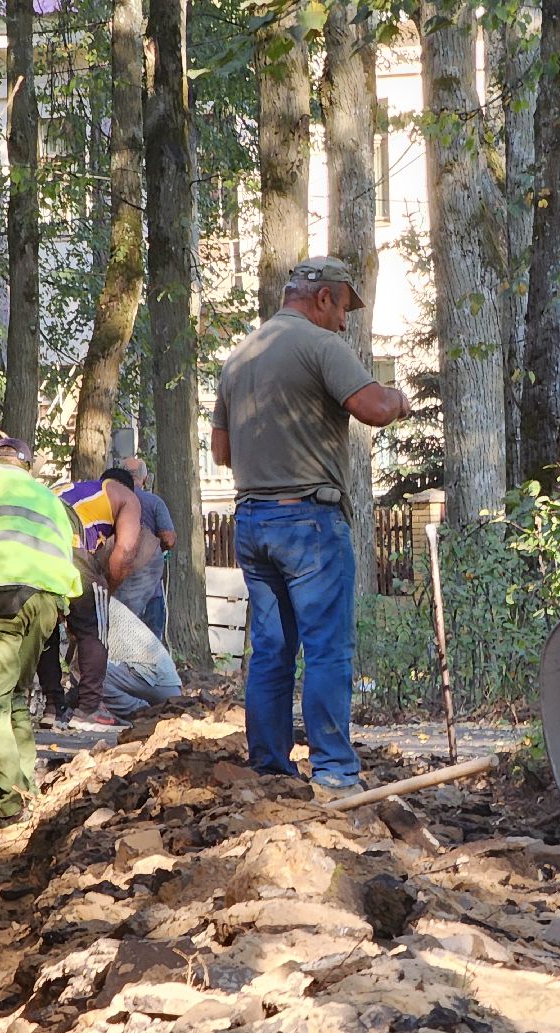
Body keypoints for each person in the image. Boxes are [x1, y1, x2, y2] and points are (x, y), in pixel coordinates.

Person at [211, 255, 411, 789]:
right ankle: (335, 771)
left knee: (272, 650)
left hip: (252, 522)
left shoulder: (238, 357)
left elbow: (220, 452)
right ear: (323, 298)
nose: (345, 322)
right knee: (327, 647)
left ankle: (270, 768)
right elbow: (371, 408)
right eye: (344, 307)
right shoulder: (321, 345)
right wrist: (399, 400)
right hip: (309, 523)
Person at [0, 437, 82, 829]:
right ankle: (28, 793)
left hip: (0, 595)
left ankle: (10, 807)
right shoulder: (48, 497)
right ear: (26, 467)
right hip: (48, 600)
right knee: (17, 697)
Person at [35, 467, 144, 732]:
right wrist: (107, 590)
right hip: (67, 540)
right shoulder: (126, 496)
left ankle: (53, 707)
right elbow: (126, 553)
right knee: (94, 628)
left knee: (46, 624)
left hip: (30, 541)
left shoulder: (75, 489)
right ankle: (89, 709)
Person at [99, 595, 182, 720]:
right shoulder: (103, 598)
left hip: (155, 680)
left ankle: (141, 712)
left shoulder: (92, 608)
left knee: (92, 671)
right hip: (168, 686)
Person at [122, 455, 176, 639]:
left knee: (122, 644)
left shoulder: (111, 501)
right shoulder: (154, 502)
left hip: (119, 586)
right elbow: (168, 539)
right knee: (152, 645)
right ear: (145, 478)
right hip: (150, 588)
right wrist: (155, 549)